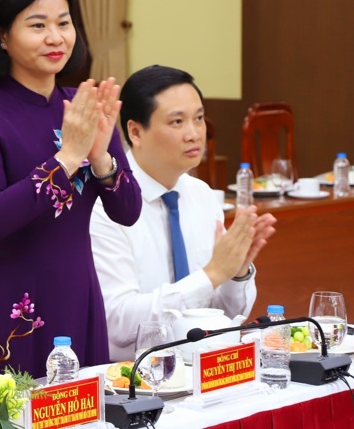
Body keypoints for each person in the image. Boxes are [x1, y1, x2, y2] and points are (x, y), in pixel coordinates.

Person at [0, 0, 142, 376]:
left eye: (64, 23)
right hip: (8, 302)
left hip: (77, 294)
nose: (56, 37)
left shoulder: (82, 106)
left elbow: (128, 210)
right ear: (2, 35)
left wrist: (102, 154)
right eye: (38, 25)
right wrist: (68, 156)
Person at [90, 65, 277, 360]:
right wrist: (213, 273)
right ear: (136, 132)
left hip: (202, 366)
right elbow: (117, 321)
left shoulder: (201, 195)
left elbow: (224, 314)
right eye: (177, 122)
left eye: (199, 118)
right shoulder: (105, 205)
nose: (194, 134)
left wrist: (236, 272)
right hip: (132, 378)